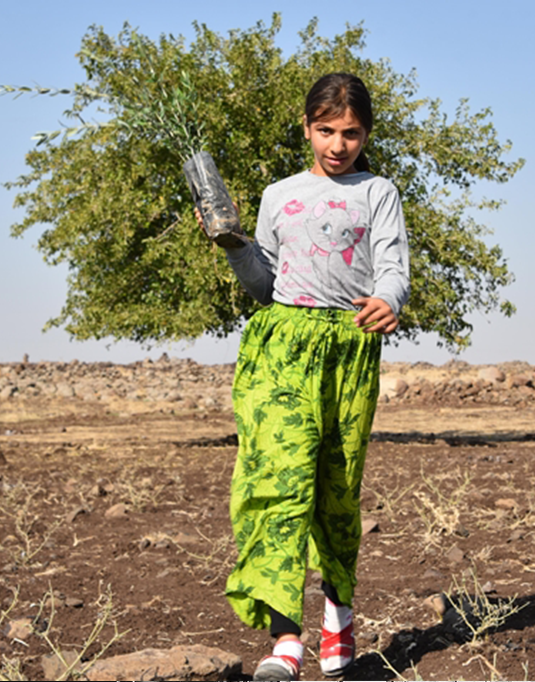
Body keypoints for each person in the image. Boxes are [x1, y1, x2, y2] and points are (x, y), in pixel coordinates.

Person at [205, 72, 410, 681]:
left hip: (348, 349)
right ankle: (285, 640)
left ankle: (338, 617)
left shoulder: (378, 191)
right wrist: (233, 245)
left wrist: (389, 301)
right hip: (282, 344)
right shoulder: (278, 194)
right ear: (306, 127)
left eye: (350, 133)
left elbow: (394, 266)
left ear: (366, 133)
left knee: (336, 488)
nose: (337, 144)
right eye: (326, 131)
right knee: (277, 481)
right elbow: (264, 284)